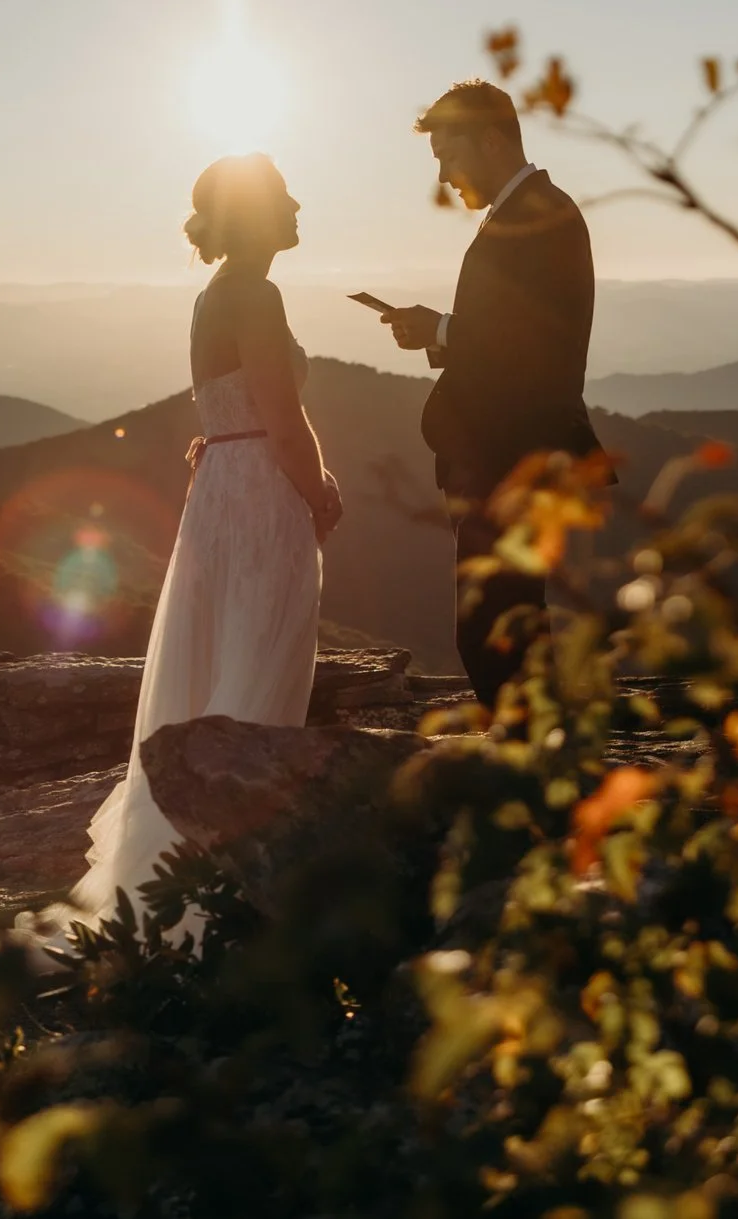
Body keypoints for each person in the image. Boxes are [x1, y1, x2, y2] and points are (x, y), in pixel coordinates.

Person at [68, 152, 343, 916]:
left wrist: (224, 445)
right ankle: (229, 877)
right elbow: (284, 423)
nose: (297, 206)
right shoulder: (257, 294)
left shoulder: (210, 295)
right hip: (258, 497)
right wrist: (320, 493)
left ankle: (187, 866)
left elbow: (220, 406)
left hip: (221, 486)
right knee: (262, 658)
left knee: (220, 655)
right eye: (284, 196)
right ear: (256, 215)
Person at [381, 80, 601, 708]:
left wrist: (442, 328)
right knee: (503, 623)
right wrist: (441, 335)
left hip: (515, 455)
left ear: (491, 140)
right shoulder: (524, 212)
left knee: (493, 628)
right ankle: (535, 755)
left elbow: (538, 346)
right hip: (503, 454)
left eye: (449, 157)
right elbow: (513, 333)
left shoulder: (539, 214)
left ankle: (530, 761)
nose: (445, 176)